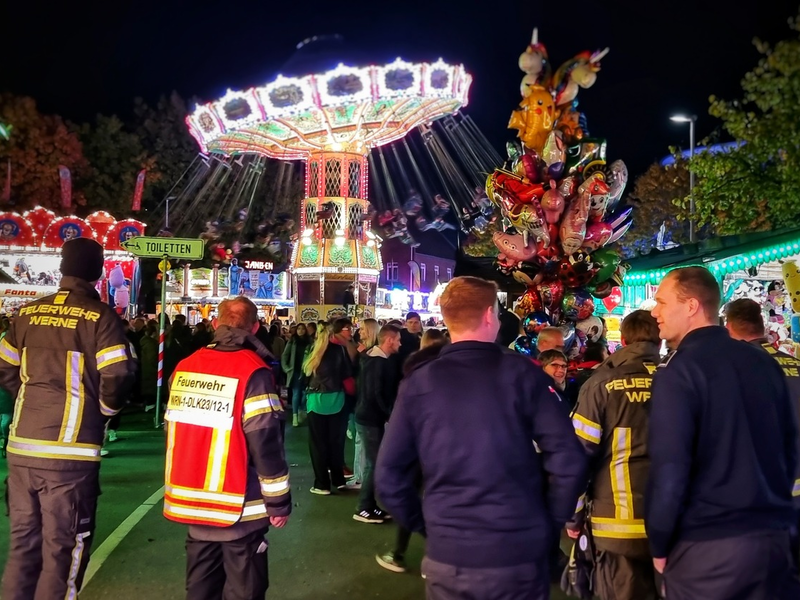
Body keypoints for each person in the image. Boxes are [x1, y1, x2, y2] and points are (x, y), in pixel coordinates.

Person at [376, 276, 587, 599]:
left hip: (450, 557)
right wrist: (548, 523)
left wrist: (430, 527)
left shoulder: (419, 382)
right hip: (517, 551)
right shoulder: (523, 373)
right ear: (489, 315)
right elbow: (569, 459)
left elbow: (389, 476)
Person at [647, 267, 800, 599]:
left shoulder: (679, 371)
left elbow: (669, 469)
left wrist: (658, 542)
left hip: (708, 550)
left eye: (661, 302)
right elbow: (790, 447)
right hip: (773, 540)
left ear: (691, 306)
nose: (655, 312)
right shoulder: (764, 364)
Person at [0, 238, 136, 599]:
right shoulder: (100, 317)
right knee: (63, 551)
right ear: (97, 272)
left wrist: (30, 401)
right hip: (69, 453)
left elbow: (5, 367)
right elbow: (118, 374)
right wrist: (102, 415)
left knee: (23, 549)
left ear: (62, 268)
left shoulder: (26, 313)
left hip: (22, 449)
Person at [163, 296, 291, 599]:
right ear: (256, 327)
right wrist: (278, 503)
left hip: (192, 505)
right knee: (245, 590)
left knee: (200, 590)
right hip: (238, 508)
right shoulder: (254, 373)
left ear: (216, 323)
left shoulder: (184, 368)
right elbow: (266, 444)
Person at [567, 309, 662, 600]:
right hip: (676, 523)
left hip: (617, 523)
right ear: (659, 340)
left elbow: (578, 457)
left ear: (622, 339)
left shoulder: (601, 384)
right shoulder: (681, 377)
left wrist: (574, 516)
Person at [724, 297, 800, 559]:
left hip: (766, 492)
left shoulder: (740, 368)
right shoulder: (795, 364)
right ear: (762, 325)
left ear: (729, 328)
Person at [376, 326, 449, 574]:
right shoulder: (456, 375)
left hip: (420, 449)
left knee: (412, 496)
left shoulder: (415, 377)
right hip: (444, 451)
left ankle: (402, 552)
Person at [353, 324, 402, 524]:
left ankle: (369, 505)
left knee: (373, 464)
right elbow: (376, 394)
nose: (400, 343)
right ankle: (364, 507)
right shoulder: (378, 363)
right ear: (389, 340)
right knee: (373, 465)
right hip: (370, 418)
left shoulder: (371, 359)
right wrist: (390, 414)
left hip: (368, 417)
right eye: (398, 339)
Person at [303, 325, 355, 495]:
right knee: (336, 442)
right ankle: (339, 479)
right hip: (337, 399)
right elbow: (348, 374)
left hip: (316, 400)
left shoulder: (313, 352)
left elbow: (305, 376)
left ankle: (321, 484)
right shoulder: (340, 351)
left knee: (318, 444)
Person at [281, 323, 311, 427]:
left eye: (303, 329)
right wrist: (286, 368)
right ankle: (295, 415)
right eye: (299, 329)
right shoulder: (292, 341)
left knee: (305, 393)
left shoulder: (310, 342)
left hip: (306, 371)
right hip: (295, 371)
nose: (301, 331)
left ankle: (301, 410)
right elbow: (285, 355)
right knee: (296, 393)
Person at [538, 349, 572, 415]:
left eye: (563, 366)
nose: (561, 370)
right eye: (554, 365)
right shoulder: (535, 394)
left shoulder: (573, 390)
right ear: (542, 367)